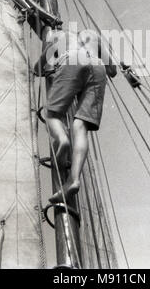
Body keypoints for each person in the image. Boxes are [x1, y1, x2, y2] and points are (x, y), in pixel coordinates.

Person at [34, 27, 117, 203]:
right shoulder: (94, 37)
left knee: (51, 114)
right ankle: (74, 180)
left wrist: (36, 69)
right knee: (81, 126)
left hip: (72, 60)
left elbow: (40, 65)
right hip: (98, 67)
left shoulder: (59, 36)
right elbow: (113, 70)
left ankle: (62, 140)